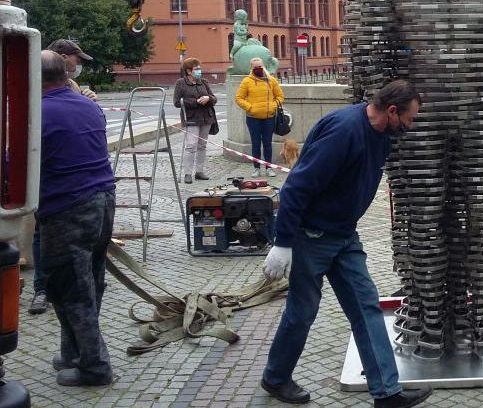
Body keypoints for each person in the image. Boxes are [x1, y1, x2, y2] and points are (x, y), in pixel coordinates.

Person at [260, 79, 432, 408]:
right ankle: (276, 377)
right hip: (311, 236)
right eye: (409, 119)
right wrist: (283, 243)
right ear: (391, 110)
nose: (410, 126)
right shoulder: (344, 132)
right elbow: (297, 186)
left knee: (366, 308)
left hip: (344, 235)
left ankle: (387, 393)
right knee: (302, 312)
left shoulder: (382, 135)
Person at [37, 50, 116, 386]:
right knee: (91, 282)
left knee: (69, 289)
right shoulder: (88, 105)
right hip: (103, 201)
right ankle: (74, 353)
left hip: (66, 208)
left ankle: (95, 367)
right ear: (65, 73)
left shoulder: (38, 113)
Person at [28, 39, 97, 314]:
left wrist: (86, 101)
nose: (78, 63)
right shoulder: (37, 91)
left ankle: (81, 285)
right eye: (75, 58)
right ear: (61, 57)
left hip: (79, 178)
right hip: (52, 180)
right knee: (41, 234)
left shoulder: (72, 86)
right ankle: (42, 288)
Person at [236, 57, 284, 177]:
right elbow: (239, 98)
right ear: (251, 68)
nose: (258, 69)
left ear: (263, 66)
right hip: (253, 118)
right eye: (255, 67)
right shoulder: (247, 81)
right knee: (255, 143)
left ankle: (269, 168)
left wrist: (273, 106)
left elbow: (280, 96)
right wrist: (250, 108)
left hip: (269, 117)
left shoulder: (271, 80)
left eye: (260, 66)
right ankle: (256, 168)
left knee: (267, 143)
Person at [174, 58, 218, 184]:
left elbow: (214, 98)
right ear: (189, 71)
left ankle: (199, 171)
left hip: (206, 118)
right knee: (191, 146)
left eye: (199, 69)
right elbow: (177, 102)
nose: (199, 71)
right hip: (191, 119)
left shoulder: (203, 82)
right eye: (196, 69)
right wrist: (196, 102)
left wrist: (208, 98)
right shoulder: (181, 83)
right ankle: (187, 173)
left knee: (202, 145)